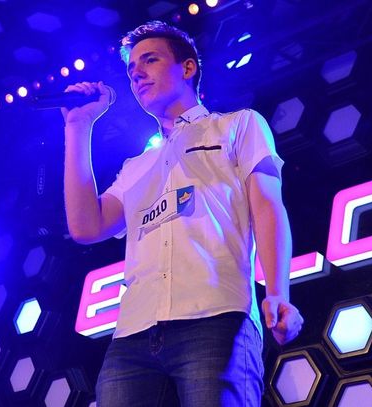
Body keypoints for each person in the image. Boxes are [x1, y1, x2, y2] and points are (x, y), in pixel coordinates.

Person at [62, 20, 303, 407]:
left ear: (187, 68)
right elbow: (86, 226)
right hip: (132, 337)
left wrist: (277, 292)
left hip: (216, 317)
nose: (136, 73)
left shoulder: (237, 125)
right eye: (131, 68)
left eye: (150, 60)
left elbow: (267, 206)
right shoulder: (136, 166)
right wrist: (78, 127)